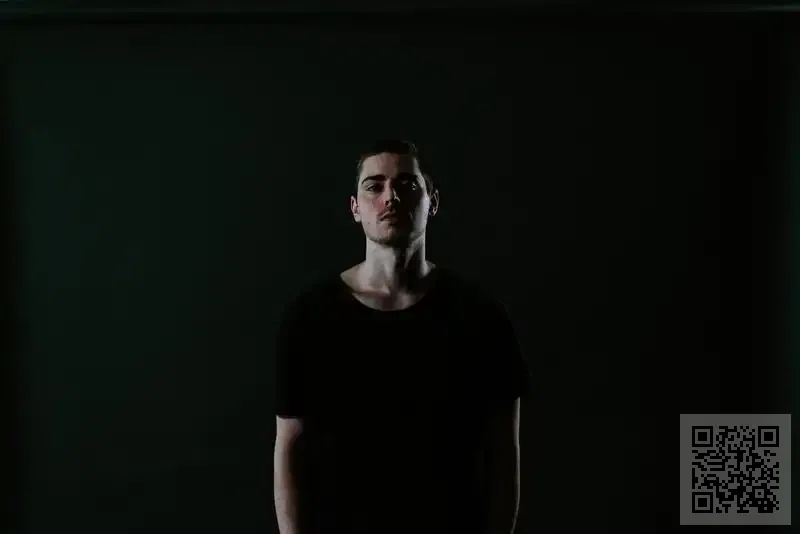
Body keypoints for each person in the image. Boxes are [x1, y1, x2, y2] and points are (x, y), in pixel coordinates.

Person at [273, 140, 531, 534]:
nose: (390, 197)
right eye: (374, 186)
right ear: (355, 208)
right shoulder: (310, 318)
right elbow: (289, 448)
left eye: (407, 184)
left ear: (433, 202)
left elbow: (504, 452)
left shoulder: (480, 316)